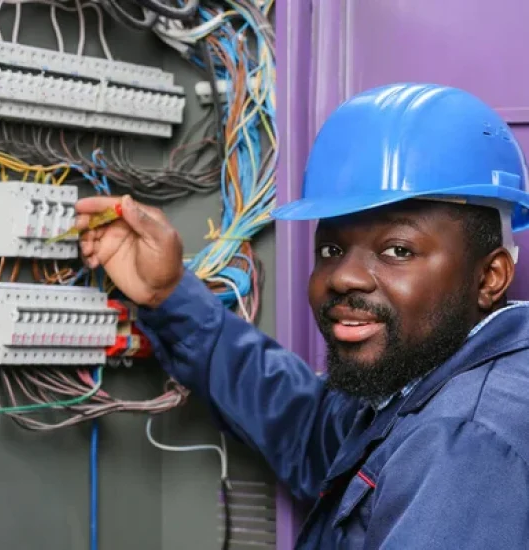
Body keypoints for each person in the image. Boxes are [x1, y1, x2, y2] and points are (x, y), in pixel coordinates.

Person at [75, 83, 529, 549]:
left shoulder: (468, 443)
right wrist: (168, 293)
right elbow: (312, 429)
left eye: (397, 249)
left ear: (490, 277)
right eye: (331, 248)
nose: (344, 277)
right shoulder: (427, 377)